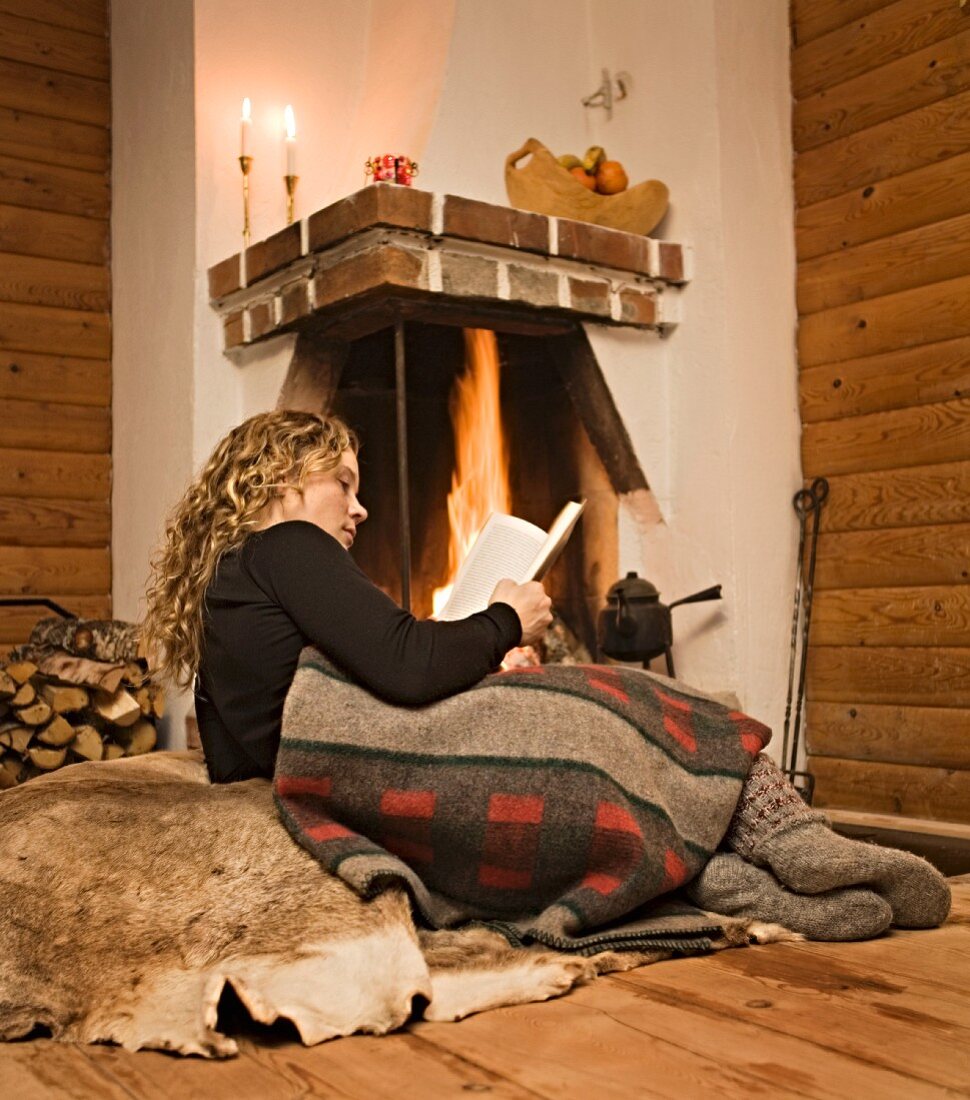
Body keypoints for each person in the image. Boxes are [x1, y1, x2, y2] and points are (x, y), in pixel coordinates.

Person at [142, 409, 552, 784]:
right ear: (283, 476)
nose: (360, 510)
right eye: (343, 484)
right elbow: (408, 664)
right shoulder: (288, 543)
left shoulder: (229, 575)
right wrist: (509, 619)